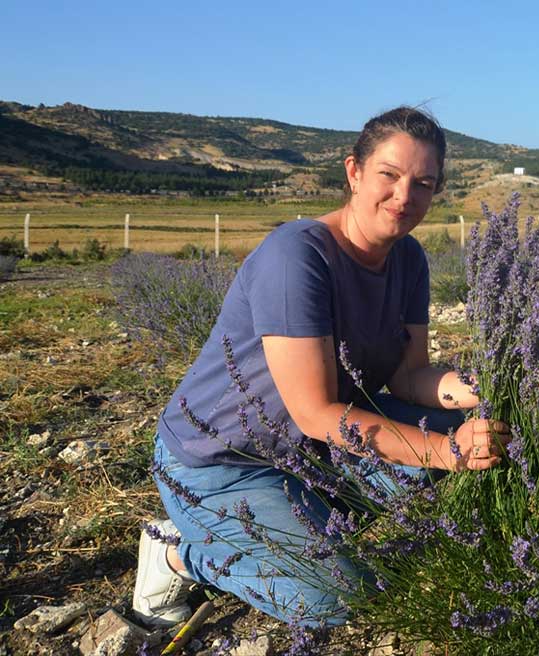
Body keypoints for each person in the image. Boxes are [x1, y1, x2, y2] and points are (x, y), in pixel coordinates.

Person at [132, 107, 510, 628]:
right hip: (221, 462)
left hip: (313, 453)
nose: (405, 197)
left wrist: (493, 388)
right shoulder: (298, 257)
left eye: (423, 183)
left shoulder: (409, 259)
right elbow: (316, 413)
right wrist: (448, 452)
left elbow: (409, 378)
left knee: (499, 444)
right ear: (353, 172)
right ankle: (180, 553)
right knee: (333, 599)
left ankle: (307, 519)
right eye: (390, 175)